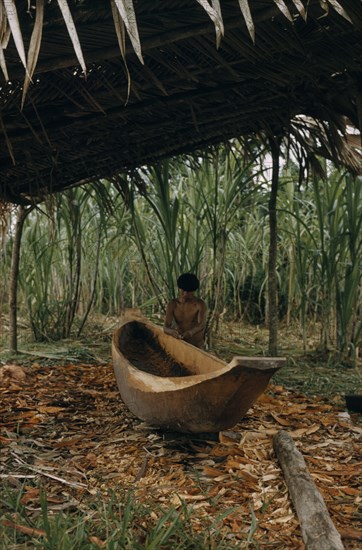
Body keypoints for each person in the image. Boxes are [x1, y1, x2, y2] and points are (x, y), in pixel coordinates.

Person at [163, 273, 207, 349]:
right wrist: (172, 332)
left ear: (194, 290)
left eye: (189, 292)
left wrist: (191, 332)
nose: (185, 294)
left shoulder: (199, 304)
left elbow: (201, 325)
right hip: (181, 343)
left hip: (196, 345)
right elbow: (166, 327)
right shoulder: (173, 304)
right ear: (179, 288)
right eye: (183, 290)